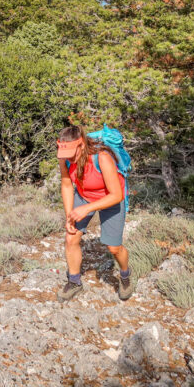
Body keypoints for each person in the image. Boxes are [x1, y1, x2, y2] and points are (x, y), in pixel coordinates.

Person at [56, 125, 134, 301]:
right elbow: (67, 184)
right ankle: (74, 282)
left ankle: (125, 275)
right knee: (71, 237)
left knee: (114, 247)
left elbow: (116, 195)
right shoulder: (65, 157)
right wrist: (70, 215)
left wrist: (86, 208)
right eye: (65, 156)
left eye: (72, 155)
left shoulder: (102, 157)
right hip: (84, 195)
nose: (69, 159)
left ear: (81, 145)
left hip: (110, 198)